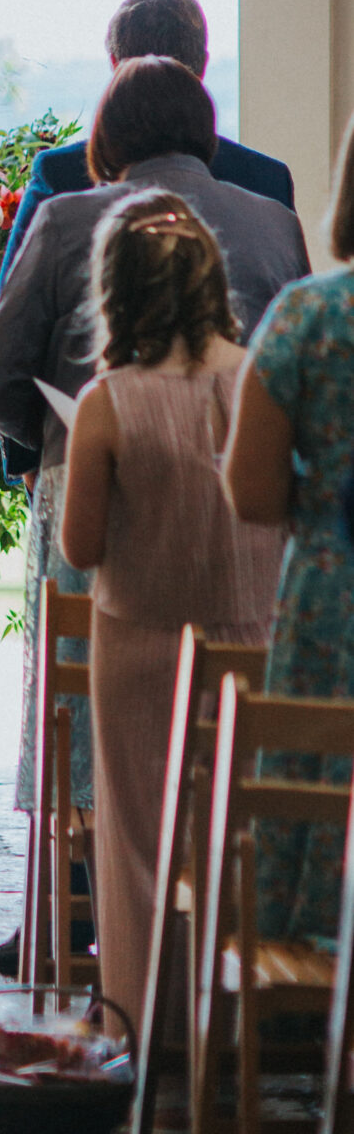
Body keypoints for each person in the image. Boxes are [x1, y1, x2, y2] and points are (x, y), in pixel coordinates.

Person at [0, 54, 307, 979]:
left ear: (103, 139)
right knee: (227, 729)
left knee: (83, 710)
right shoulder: (273, 219)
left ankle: (73, 914)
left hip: (108, 487)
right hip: (253, 529)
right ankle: (230, 929)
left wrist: (43, 447)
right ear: (204, 127)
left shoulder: (71, 214)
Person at [58, 191, 283, 1030]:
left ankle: (140, 1023)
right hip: (249, 641)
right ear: (212, 281)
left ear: (114, 291)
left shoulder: (107, 402)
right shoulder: (257, 378)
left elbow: (80, 548)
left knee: (140, 842)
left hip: (144, 645)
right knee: (232, 835)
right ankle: (236, 1026)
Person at [0, 0, 293, 483]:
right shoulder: (266, 181)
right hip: (239, 469)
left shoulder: (63, 174)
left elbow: (5, 351)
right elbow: (286, 347)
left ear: (113, 65)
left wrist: (56, 443)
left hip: (92, 477)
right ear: (204, 64)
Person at [223, 109, 354, 945]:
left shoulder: (310, 317)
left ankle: (301, 983)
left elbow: (249, 489)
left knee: (312, 788)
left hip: (331, 599)